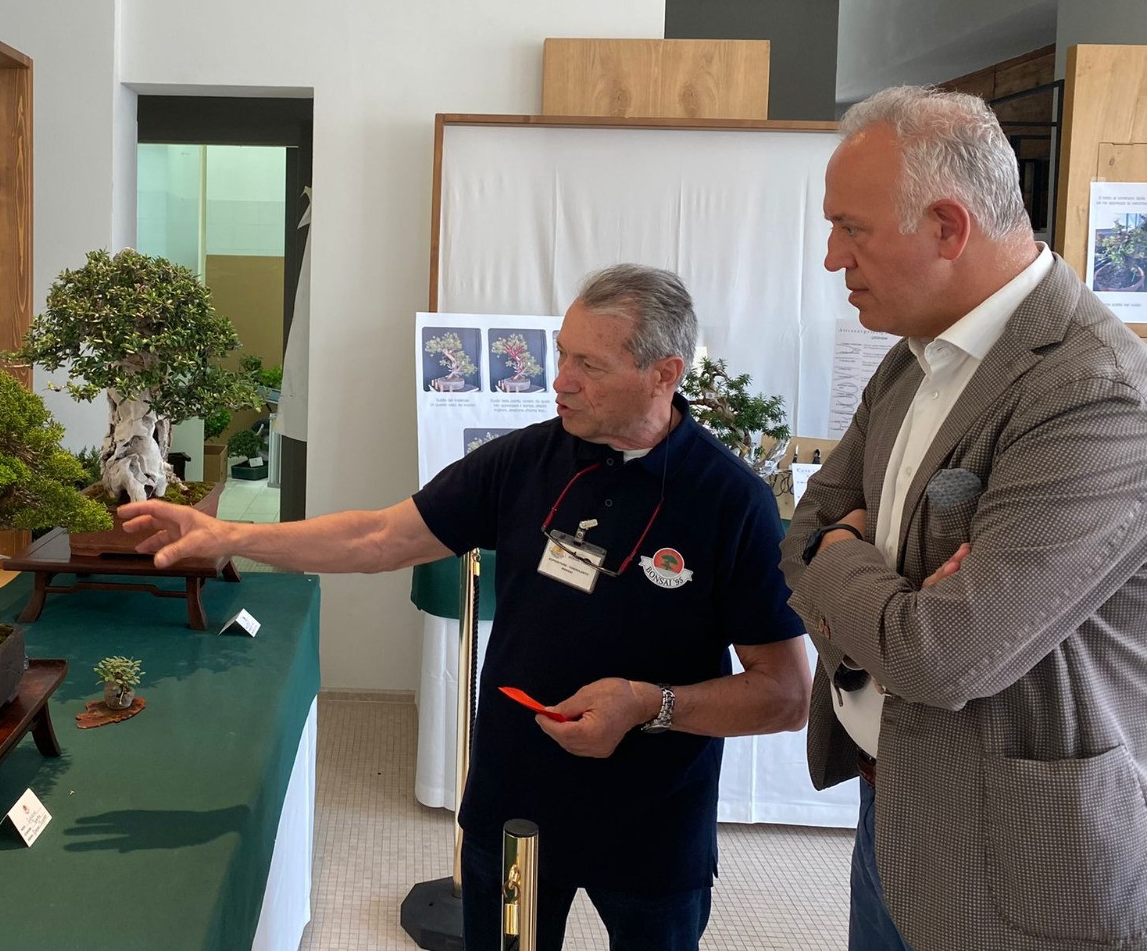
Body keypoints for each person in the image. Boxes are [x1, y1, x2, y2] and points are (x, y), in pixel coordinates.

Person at [123, 264, 810, 951]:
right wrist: (231, 536)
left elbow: (784, 694)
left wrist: (646, 703)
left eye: (589, 365)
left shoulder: (731, 503)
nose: (559, 379)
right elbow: (378, 537)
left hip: (653, 826)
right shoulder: (524, 462)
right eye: (562, 354)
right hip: (518, 812)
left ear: (665, 373)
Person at [782, 85, 1147, 951]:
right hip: (891, 808)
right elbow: (801, 535)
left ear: (947, 227)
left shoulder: (1095, 397)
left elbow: (941, 656)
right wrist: (861, 564)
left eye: (851, 228)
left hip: (1021, 867)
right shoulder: (910, 362)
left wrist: (847, 554)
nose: (833, 258)